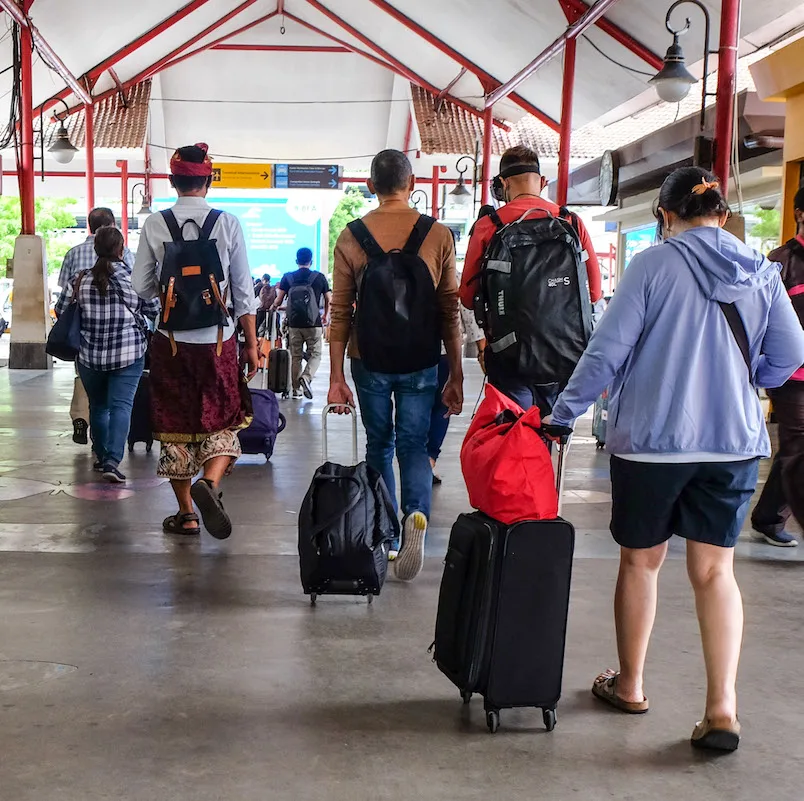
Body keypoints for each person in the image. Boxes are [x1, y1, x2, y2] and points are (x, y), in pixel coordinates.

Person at [548, 167, 804, 752]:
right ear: (721, 212)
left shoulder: (652, 266)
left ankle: (631, 684)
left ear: (664, 216)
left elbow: (605, 353)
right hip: (733, 444)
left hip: (653, 445)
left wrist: (563, 415)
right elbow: (792, 353)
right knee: (715, 572)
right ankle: (722, 710)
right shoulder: (761, 271)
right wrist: (747, 382)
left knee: (642, 564)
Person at [328, 149, 463, 582]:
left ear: (371, 186)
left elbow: (341, 313)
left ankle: (384, 530)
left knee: (379, 445)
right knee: (415, 445)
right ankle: (415, 518)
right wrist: (456, 373)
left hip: (368, 359)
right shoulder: (438, 234)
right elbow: (449, 310)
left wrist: (334, 377)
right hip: (422, 358)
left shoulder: (351, 237)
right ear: (412, 186)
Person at [133, 143, 259, 539]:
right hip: (217, 342)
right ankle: (211, 483)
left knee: (176, 423)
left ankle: (186, 514)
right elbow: (243, 292)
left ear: (173, 181)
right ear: (207, 180)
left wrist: (169, 290)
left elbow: (141, 286)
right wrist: (252, 345)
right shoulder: (227, 223)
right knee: (223, 415)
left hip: (170, 341)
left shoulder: (156, 223)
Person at [459, 145, 603, 415]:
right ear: (542, 182)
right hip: (565, 351)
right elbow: (594, 293)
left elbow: (467, 296)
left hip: (509, 354)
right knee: (553, 430)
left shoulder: (490, 225)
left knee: (517, 433)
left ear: (503, 183)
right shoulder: (570, 221)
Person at [55, 227, 158, 482]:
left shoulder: (79, 279)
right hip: (128, 353)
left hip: (89, 356)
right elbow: (155, 308)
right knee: (121, 406)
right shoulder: (134, 279)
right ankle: (113, 460)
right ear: (121, 250)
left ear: (95, 249)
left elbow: (60, 309)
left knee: (98, 407)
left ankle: (101, 458)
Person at [751, 187, 804, 547]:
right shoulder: (781, 261)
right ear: (800, 214)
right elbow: (761, 322)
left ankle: (769, 516)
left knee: (793, 449)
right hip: (791, 375)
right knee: (799, 445)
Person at [59, 207, 135, 446]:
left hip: (85, 339)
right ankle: (112, 454)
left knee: (88, 386)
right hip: (123, 343)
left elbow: (63, 301)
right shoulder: (127, 256)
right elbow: (140, 294)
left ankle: (82, 419)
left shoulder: (73, 254)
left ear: (90, 227)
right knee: (119, 400)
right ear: (112, 226)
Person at [271, 248, 331, 400]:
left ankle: (296, 391)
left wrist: (274, 307)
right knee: (316, 354)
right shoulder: (319, 277)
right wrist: (325, 315)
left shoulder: (288, 278)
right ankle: (307, 376)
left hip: (294, 324)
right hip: (314, 323)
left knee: (295, 356)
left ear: (296, 260)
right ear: (311, 260)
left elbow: (278, 301)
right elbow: (329, 299)